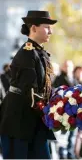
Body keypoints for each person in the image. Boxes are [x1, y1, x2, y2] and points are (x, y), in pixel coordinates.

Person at [0, 10, 57, 159]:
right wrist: (55, 108)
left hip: (33, 118)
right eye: (47, 27)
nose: (50, 31)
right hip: (18, 120)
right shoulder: (27, 53)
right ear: (33, 28)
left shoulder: (38, 52)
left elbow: (45, 87)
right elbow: (30, 91)